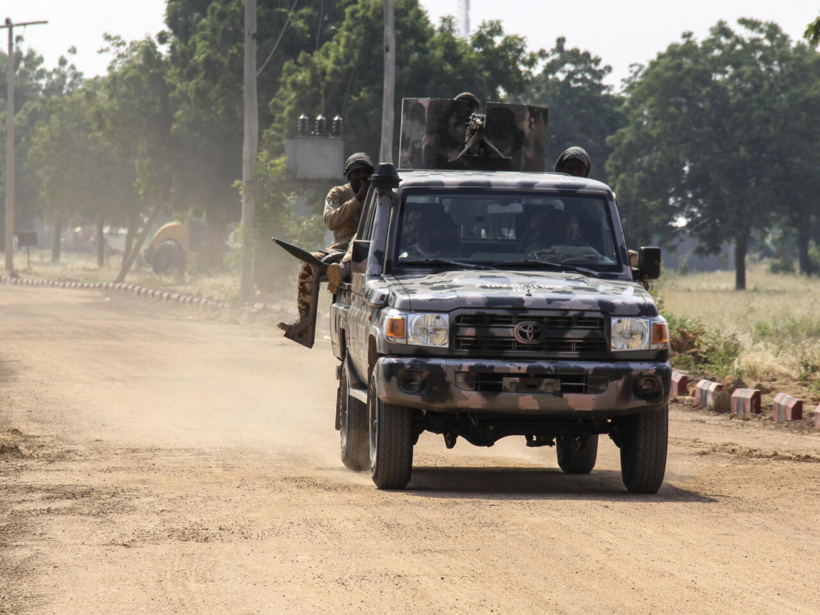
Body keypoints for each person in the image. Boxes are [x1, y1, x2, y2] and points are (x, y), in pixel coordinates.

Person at [278, 152, 375, 332]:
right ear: (349, 176)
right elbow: (331, 221)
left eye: (366, 172)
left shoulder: (379, 194)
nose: (362, 176)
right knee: (308, 263)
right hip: (340, 250)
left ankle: (341, 270)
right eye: (357, 172)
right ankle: (304, 322)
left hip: (371, 250)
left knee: (360, 236)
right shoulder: (338, 193)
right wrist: (357, 199)